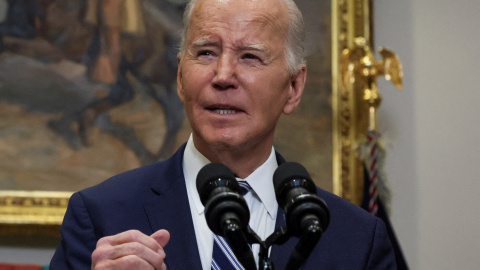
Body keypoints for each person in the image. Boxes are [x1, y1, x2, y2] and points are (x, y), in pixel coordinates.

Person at [50, 0, 397, 269]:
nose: (223, 75)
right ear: (180, 78)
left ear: (293, 88)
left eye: (249, 57)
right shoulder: (101, 216)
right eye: (205, 53)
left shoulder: (357, 240)